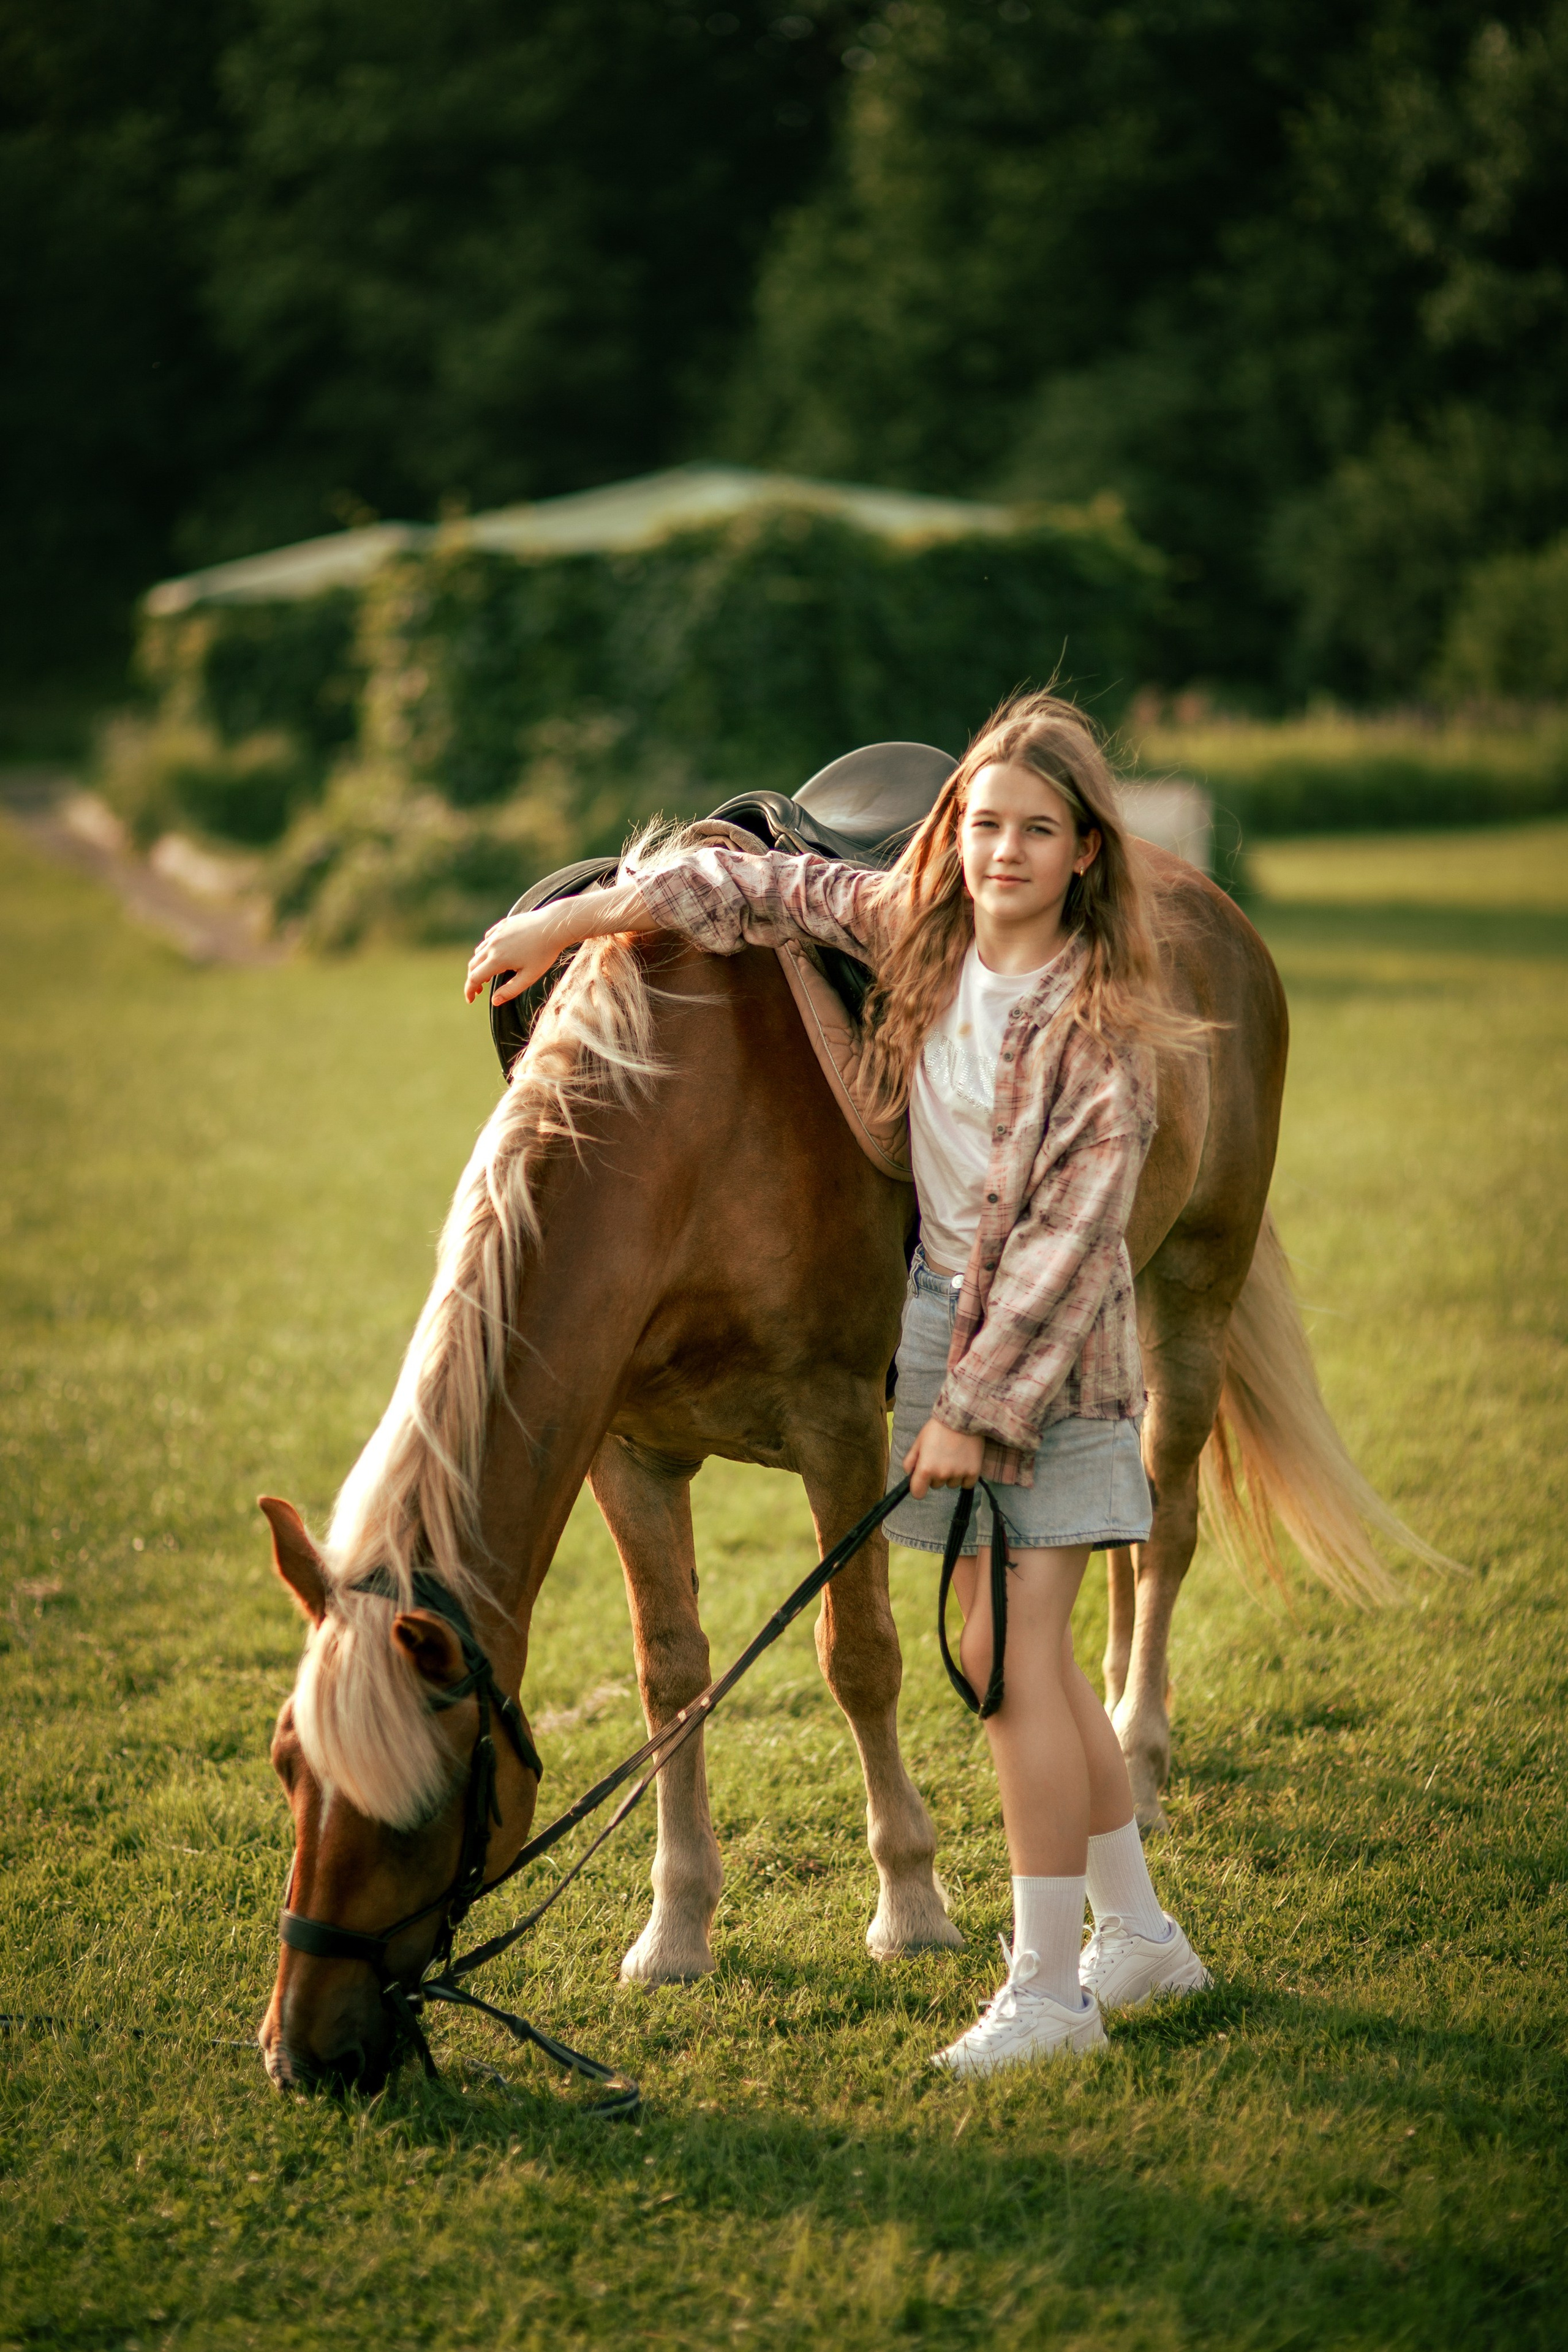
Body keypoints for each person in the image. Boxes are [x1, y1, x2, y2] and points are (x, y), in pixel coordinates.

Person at [464, 691, 1210, 2076]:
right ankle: (1141, 1933)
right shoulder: (909, 935)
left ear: (1084, 854)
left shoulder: (1096, 1032)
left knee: (1006, 1668)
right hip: (947, 1348)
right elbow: (744, 880)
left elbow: (1065, 1247)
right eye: (979, 826)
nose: (999, 853)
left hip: (1048, 1369)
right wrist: (565, 925)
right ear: (944, 839)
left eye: (1032, 832)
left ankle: (1048, 1989)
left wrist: (970, 1416)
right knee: (1012, 1657)